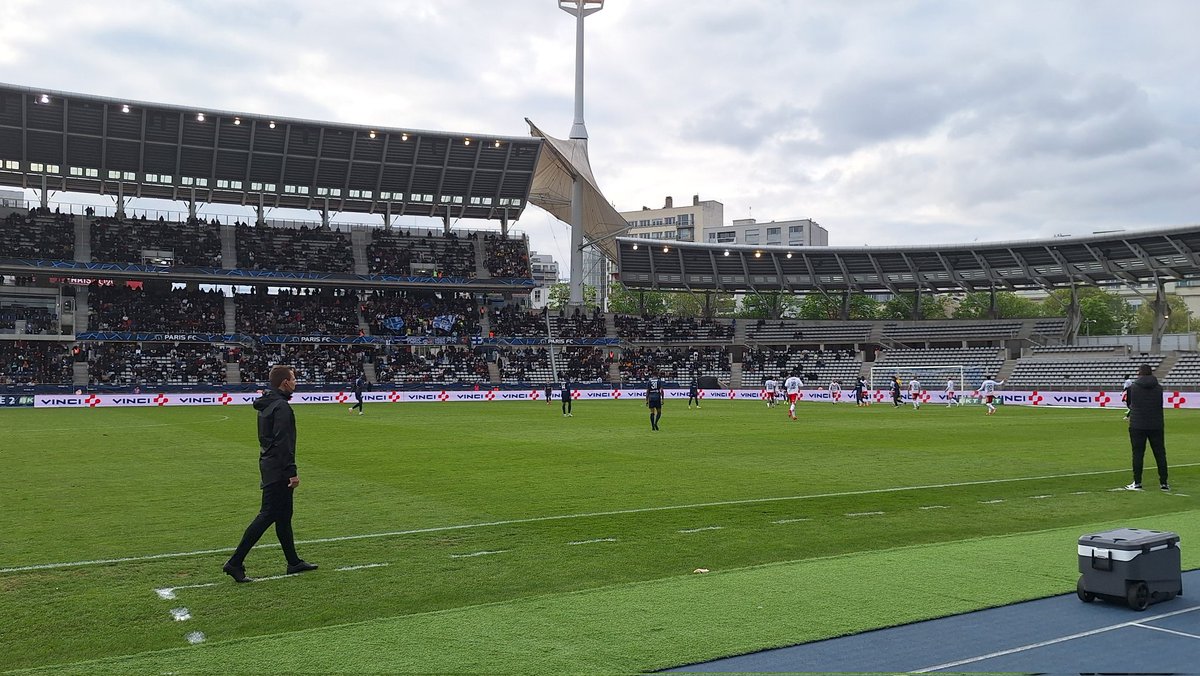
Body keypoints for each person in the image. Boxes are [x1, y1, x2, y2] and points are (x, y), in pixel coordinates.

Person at [224, 365, 318, 583]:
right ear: (284, 382)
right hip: (278, 468)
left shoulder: (267, 405)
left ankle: (293, 562)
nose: (295, 382)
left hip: (269, 464)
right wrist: (291, 472)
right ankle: (235, 562)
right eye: (293, 378)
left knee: (283, 517)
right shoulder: (282, 408)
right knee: (268, 515)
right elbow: (284, 443)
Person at [1125, 363, 1168, 491]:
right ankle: (1164, 483)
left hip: (1138, 425)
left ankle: (1137, 482)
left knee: (1138, 454)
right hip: (1156, 424)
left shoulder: (1133, 387)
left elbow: (1129, 404)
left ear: (1139, 373)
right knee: (1160, 454)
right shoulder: (1159, 388)